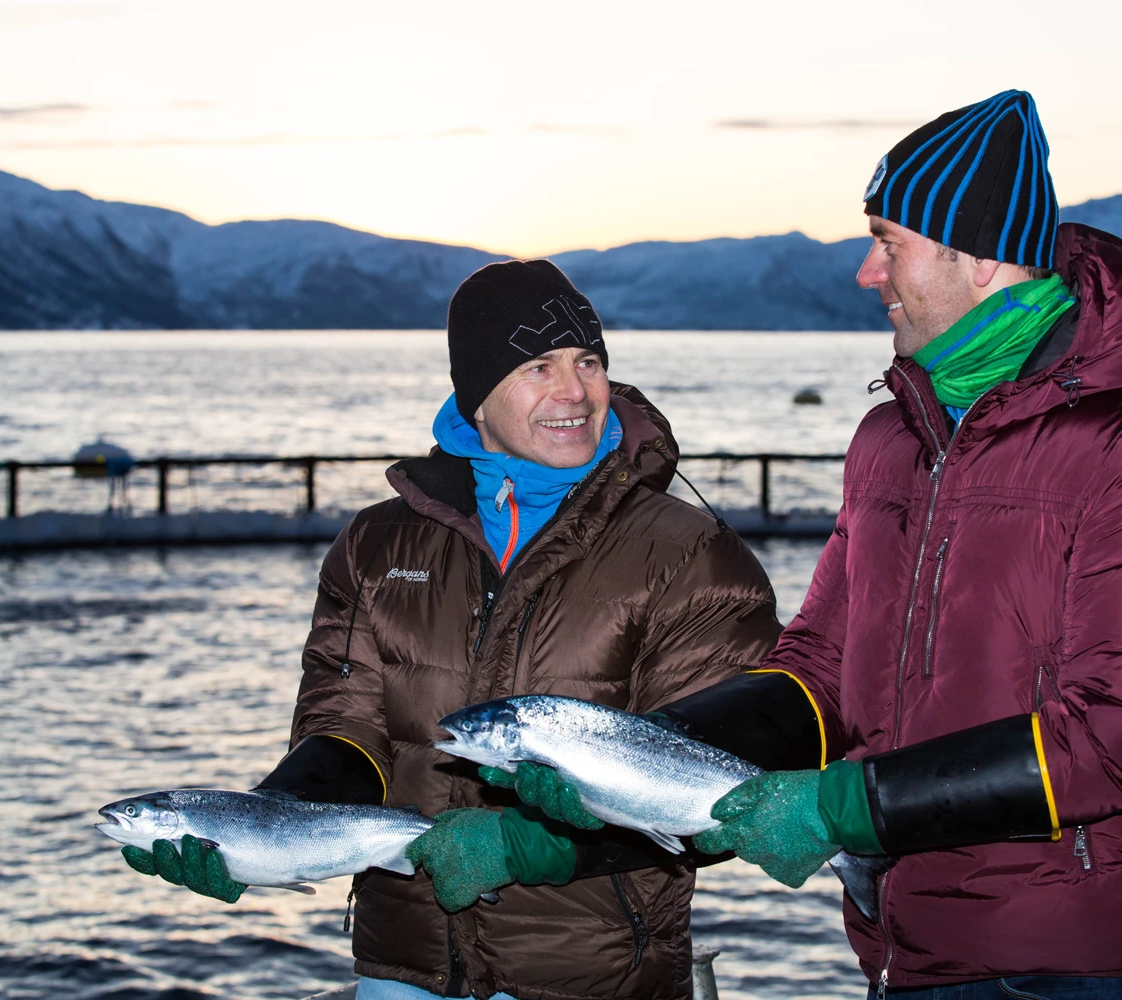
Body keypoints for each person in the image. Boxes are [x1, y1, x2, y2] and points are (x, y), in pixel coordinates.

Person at [678, 90, 1122, 998]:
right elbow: (818, 668)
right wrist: (652, 754)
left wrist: (840, 806)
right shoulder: (890, 440)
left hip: (1073, 966)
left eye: (886, 241)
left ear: (976, 260)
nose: (868, 274)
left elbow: (1120, 735)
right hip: (906, 953)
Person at [117, 259, 793, 1000]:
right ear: (477, 394)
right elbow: (344, 727)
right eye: (538, 366)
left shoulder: (690, 552)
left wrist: (539, 847)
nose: (574, 391)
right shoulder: (378, 543)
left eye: (589, 361)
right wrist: (260, 828)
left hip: (591, 970)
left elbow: (726, 781)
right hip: (404, 960)